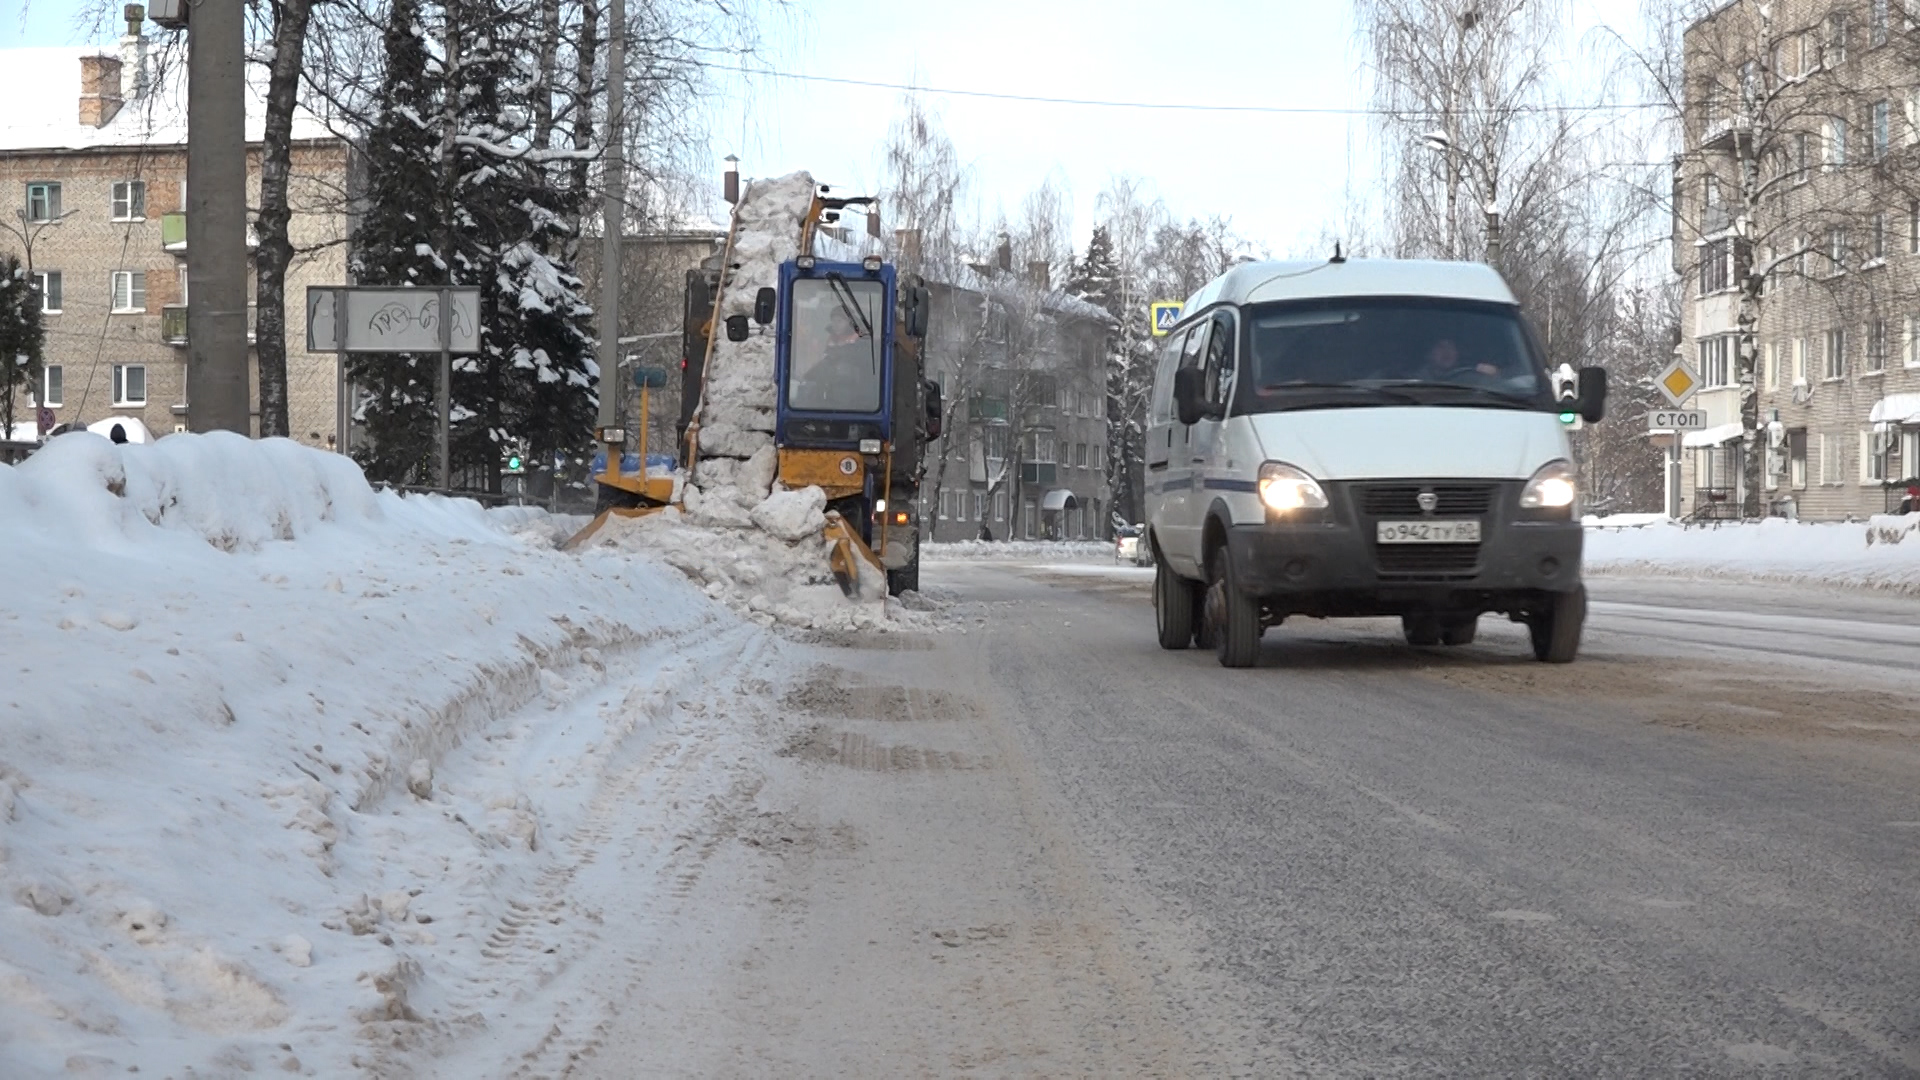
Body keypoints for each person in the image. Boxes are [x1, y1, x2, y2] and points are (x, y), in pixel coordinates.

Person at [1420, 337, 1500, 382]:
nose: (1447, 351)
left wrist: (1495, 376)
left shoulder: (1471, 378)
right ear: (1428, 354)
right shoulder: (1416, 382)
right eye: (1441, 347)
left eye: (1451, 347)